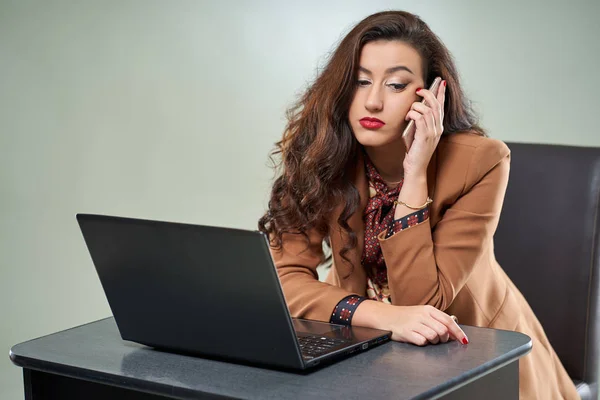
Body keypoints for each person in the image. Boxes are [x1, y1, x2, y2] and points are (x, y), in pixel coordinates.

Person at [258, 10, 578, 400]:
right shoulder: (324, 154)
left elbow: (423, 304)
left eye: (395, 84)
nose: (372, 102)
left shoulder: (482, 161)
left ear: (430, 93)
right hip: (376, 359)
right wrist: (381, 316)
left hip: (480, 365)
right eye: (360, 81)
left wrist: (415, 174)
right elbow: (283, 281)